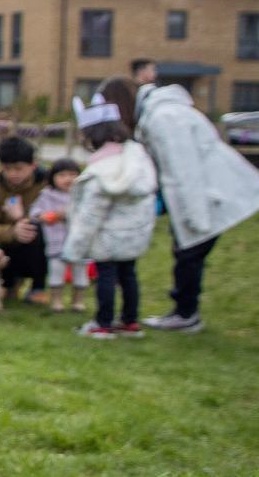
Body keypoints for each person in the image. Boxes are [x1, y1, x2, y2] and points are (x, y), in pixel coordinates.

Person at [119, 78, 259, 333]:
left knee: (188, 255)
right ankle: (185, 311)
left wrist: (194, 216)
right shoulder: (162, 113)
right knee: (187, 254)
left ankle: (186, 314)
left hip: (208, 194)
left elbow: (184, 170)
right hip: (206, 193)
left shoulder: (164, 118)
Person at [63, 89, 159, 339]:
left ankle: (103, 322)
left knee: (106, 275)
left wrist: (75, 246)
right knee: (128, 274)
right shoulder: (137, 159)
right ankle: (129, 321)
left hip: (107, 235)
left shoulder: (101, 172)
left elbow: (90, 214)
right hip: (133, 234)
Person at [0, 136, 49, 305]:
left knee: (34, 228)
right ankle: (8, 284)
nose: (13, 174)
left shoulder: (47, 182)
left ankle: (38, 288)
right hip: (9, 245)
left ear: (33, 165)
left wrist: (24, 219)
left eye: (19, 168)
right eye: (7, 168)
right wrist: (12, 231)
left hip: (47, 244)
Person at [32, 158, 86, 312]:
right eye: (62, 175)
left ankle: (78, 301)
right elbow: (35, 213)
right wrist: (45, 216)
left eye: (72, 175)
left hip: (79, 242)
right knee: (56, 271)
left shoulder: (82, 195)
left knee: (80, 272)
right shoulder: (47, 195)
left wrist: (67, 215)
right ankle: (57, 300)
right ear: (52, 178)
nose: (68, 179)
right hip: (56, 242)